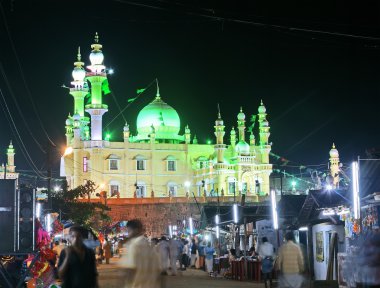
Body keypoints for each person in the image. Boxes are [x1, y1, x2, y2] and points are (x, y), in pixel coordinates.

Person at [118, 219, 161, 288]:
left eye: (129, 231)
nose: (128, 234)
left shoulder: (132, 246)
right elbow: (158, 272)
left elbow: (129, 269)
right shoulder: (151, 247)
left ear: (136, 230)